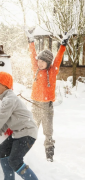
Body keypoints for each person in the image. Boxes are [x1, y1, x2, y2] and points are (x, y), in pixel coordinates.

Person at [0, 71, 38, 180]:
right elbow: (5, 123)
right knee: (2, 151)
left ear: (4, 84)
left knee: (15, 161)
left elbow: (0, 120)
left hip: (27, 133)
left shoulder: (10, 99)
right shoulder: (7, 99)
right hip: (19, 133)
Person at [24, 27, 73, 162]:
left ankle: (49, 155)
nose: (39, 63)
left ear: (48, 63)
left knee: (48, 132)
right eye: (38, 61)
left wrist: (63, 43)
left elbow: (58, 57)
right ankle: (26, 153)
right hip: (34, 105)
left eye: (42, 61)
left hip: (47, 106)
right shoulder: (35, 69)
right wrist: (30, 40)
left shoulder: (52, 71)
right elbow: (32, 54)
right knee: (31, 130)